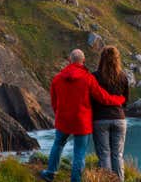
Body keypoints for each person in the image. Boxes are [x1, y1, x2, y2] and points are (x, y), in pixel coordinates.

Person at [40, 49, 126, 182]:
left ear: (69, 60)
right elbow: (102, 97)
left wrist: (59, 113)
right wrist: (119, 100)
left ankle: (50, 173)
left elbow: (54, 102)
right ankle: (76, 180)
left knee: (58, 144)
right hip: (82, 121)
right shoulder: (88, 78)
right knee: (79, 152)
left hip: (63, 120)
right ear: (83, 61)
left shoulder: (57, 79)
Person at [91, 46, 130, 182]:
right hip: (119, 118)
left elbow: (90, 99)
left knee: (104, 155)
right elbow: (125, 100)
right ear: (117, 59)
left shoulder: (95, 76)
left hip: (100, 119)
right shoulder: (123, 76)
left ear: (102, 59)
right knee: (118, 155)